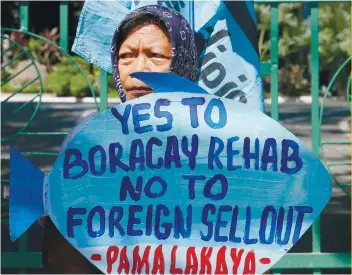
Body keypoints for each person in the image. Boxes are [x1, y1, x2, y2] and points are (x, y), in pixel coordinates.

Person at [41, 5, 198, 273]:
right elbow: (59, 249)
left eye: (155, 56)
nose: (138, 69)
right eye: (126, 56)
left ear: (182, 62)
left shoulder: (220, 141)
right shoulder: (89, 137)